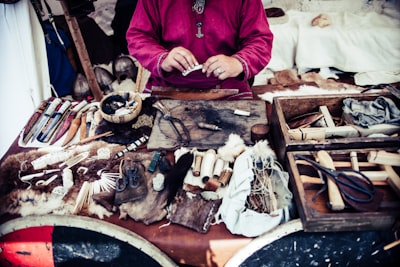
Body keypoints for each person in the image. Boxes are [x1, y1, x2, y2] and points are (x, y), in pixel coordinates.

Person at [126, 0, 273, 99]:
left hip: (227, 87)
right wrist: (162, 58)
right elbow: (138, 36)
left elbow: (260, 40)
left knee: (240, 142)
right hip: (168, 86)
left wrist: (238, 62)